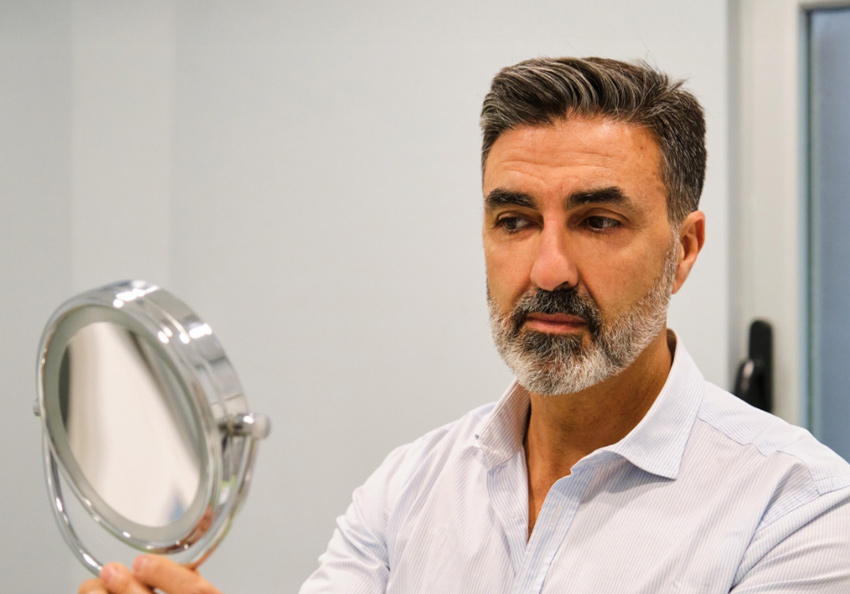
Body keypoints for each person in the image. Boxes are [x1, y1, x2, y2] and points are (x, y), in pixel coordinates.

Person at [81, 57, 850, 594]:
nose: (549, 269)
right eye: (515, 220)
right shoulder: (407, 491)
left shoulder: (798, 511)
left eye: (597, 220)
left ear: (684, 250)